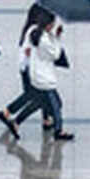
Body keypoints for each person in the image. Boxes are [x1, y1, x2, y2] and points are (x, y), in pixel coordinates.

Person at [0, 3, 54, 139]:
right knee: (39, 96)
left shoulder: (32, 28)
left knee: (35, 95)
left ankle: (46, 120)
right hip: (31, 70)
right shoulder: (34, 31)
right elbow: (35, 50)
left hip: (27, 68)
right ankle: (10, 115)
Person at [28, 13, 73, 141]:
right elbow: (55, 55)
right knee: (56, 105)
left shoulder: (36, 33)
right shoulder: (44, 40)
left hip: (38, 75)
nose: (53, 25)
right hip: (45, 78)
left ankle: (48, 121)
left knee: (46, 102)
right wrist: (58, 39)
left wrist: (54, 35)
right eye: (52, 23)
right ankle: (58, 130)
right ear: (48, 24)